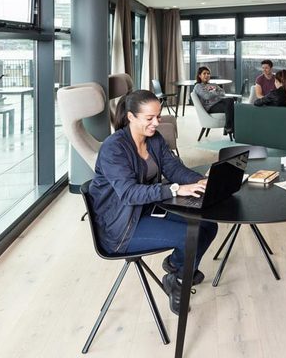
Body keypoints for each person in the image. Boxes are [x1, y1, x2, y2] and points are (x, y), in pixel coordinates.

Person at [88, 90, 219, 315]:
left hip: (147, 210)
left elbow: (173, 168)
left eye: (158, 116)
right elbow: (129, 193)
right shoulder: (114, 148)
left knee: (209, 224)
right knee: (191, 235)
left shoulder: (154, 139)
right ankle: (178, 278)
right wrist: (174, 188)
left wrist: (201, 181)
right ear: (130, 117)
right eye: (150, 118)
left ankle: (177, 267)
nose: (156, 123)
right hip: (121, 228)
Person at [193, 66, 236, 135]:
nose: (207, 75)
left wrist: (212, 92)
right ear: (199, 76)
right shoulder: (198, 86)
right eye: (204, 73)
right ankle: (229, 127)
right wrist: (215, 92)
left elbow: (223, 93)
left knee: (231, 101)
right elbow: (206, 96)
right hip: (210, 107)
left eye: (208, 73)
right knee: (230, 105)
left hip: (219, 103)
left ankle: (229, 128)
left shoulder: (213, 84)